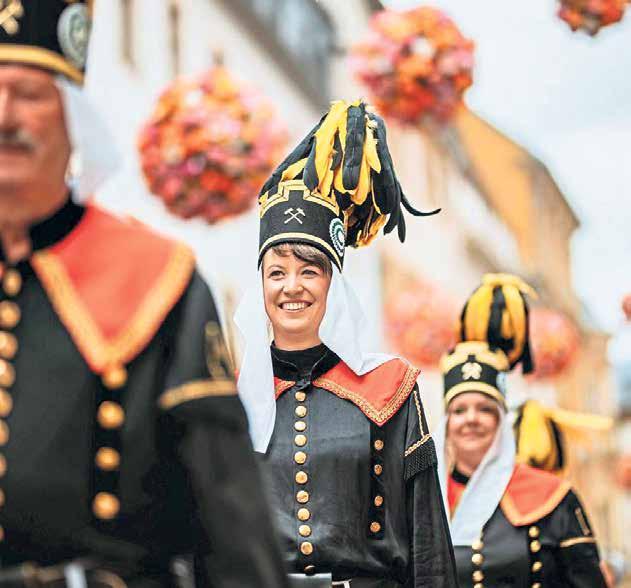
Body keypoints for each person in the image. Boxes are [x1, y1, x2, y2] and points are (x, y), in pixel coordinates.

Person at [0, 2, 289, 586]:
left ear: (74, 117)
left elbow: (230, 520)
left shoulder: (158, 278)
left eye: (29, 95)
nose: (5, 117)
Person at [234, 100, 457, 587]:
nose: (292, 286)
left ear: (334, 284)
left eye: (309, 271)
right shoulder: (233, 399)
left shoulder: (391, 388)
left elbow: (427, 538)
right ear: (261, 286)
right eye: (277, 272)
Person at [434, 274, 608, 587]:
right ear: (446, 423)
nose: (471, 419)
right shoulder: (426, 500)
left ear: (502, 421)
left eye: (485, 409)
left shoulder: (555, 497)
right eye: (459, 411)